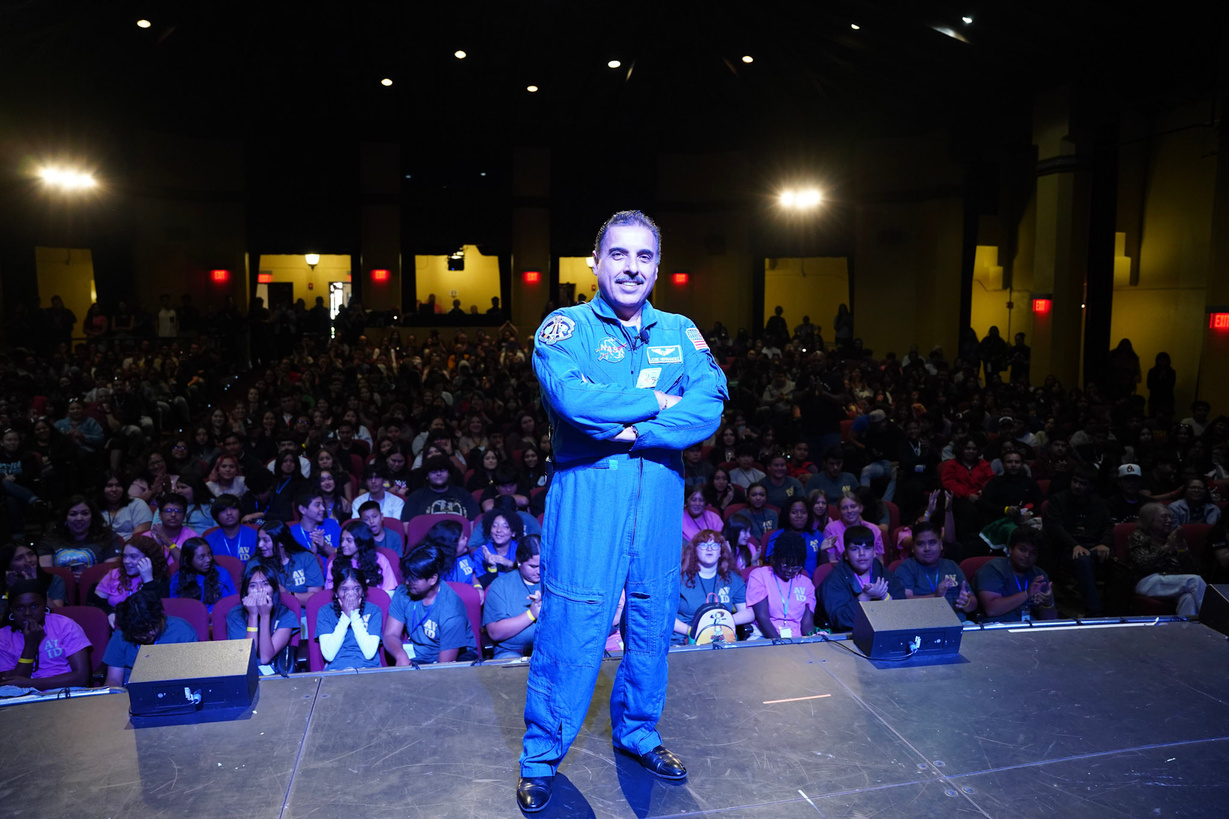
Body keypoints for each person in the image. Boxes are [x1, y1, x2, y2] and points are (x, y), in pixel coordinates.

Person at [518, 211, 727, 811]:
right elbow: (574, 400)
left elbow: (709, 405)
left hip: (659, 498)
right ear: (595, 261)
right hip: (588, 501)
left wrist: (633, 431)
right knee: (572, 629)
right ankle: (540, 757)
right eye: (618, 254)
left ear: (658, 266)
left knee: (652, 621)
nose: (631, 267)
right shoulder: (565, 328)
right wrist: (658, 401)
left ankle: (639, 733)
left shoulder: (681, 331)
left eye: (643, 257)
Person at [382, 542, 474, 667]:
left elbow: (444, 667)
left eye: (414, 578)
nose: (408, 582)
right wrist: (401, 656)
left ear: (432, 579)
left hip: (451, 663)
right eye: (407, 576)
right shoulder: (403, 592)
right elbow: (390, 634)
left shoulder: (451, 611)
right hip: (417, 659)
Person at [1043, 463, 1112, 616]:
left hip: (1092, 545)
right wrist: (1074, 545)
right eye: (1075, 481)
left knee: (1116, 564)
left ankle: (1117, 609)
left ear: (1092, 486)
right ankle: (1095, 611)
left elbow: (1107, 525)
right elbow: (1055, 527)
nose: (1077, 486)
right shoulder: (1058, 500)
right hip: (1064, 547)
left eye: (1083, 483)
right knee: (1083, 559)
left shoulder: (1097, 502)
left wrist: (1104, 543)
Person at [0, 579, 91, 690]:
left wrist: (30, 683)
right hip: (25, 700)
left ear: (44, 606)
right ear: (11, 610)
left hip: (67, 691)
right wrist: (30, 645)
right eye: (20, 608)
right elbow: (10, 687)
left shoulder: (64, 625)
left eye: (34, 606)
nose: (27, 613)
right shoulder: (3, 637)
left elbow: (81, 677)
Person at [103, 587, 198, 686]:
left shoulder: (182, 631)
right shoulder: (121, 635)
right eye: (139, 633)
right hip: (131, 692)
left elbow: (193, 675)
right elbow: (114, 680)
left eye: (151, 628)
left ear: (160, 618)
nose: (146, 636)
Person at [819, 525, 906, 632]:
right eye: (855, 549)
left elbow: (903, 613)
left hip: (883, 633)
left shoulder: (885, 575)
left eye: (867, 548)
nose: (862, 554)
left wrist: (884, 597)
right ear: (846, 554)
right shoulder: (834, 579)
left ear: (874, 552)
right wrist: (865, 596)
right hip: (846, 638)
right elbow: (840, 620)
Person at [672, 530, 752, 644]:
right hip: (685, 639)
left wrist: (723, 622)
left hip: (722, 639)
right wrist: (696, 631)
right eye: (704, 544)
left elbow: (748, 613)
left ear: (721, 551)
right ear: (695, 550)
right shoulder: (679, 579)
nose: (709, 548)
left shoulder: (733, 579)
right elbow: (666, 616)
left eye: (715, 545)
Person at [894, 522, 977, 620]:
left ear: (941, 545)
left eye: (932, 543)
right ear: (913, 548)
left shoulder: (951, 566)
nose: (927, 548)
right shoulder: (906, 568)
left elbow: (973, 604)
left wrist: (966, 602)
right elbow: (903, 603)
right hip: (922, 625)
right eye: (920, 544)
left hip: (959, 624)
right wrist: (935, 596)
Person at [973, 528, 1058, 623]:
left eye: (1033, 553)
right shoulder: (993, 569)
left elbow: (1051, 622)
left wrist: (1048, 604)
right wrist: (1027, 594)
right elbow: (992, 610)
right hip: (997, 627)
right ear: (1010, 549)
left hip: (1030, 630)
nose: (1027, 555)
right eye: (1022, 550)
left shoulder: (1039, 574)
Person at [226, 563, 297, 673]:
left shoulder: (286, 615)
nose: (259, 590)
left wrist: (265, 616)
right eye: (253, 586)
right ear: (246, 591)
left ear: (274, 589)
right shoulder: (235, 615)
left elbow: (265, 658)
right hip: (242, 671)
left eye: (265, 584)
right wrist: (253, 616)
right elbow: (247, 658)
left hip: (273, 672)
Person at [482, 535, 544, 659]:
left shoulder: (554, 583)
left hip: (549, 649)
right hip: (511, 652)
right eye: (533, 566)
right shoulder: (500, 586)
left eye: (542, 565)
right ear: (519, 562)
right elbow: (494, 632)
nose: (539, 571)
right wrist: (531, 614)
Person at [747, 531, 816, 638]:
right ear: (775, 559)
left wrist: (814, 639)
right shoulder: (759, 575)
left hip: (796, 639)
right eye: (785, 565)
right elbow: (762, 617)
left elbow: (807, 625)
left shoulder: (806, 583)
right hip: (764, 636)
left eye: (795, 566)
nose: (789, 570)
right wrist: (780, 644)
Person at [316, 564, 383, 671]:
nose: (351, 594)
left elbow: (369, 653)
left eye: (356, 589)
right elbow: (329, 655)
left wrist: (355, 615)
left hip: (368, 669)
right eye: (344, 589)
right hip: (337, 670)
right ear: (336, 593)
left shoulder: (374, 611)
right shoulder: (325, 612)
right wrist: (345, 616)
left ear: (362, 592)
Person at [89, 536, 171, 618]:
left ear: (148, 558)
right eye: (124, 556)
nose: (126, 561)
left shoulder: (160, 579)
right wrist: (109, 613)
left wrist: (148, 579)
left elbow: (153, 610)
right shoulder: (116, 573)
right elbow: (95, 603)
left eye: (133, 556)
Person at [37, 496, 123, 572]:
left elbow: (111, 573)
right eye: (73, 514)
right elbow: (46, 574)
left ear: (92, 516)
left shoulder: (108, 537)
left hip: (97, 587)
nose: (79, 518)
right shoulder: (50, 539)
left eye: (85, 513)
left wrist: (87, 575)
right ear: (65, 518)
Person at [249, 519, 323, 605]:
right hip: (267, 614)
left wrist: (287, 595)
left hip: (302, 615)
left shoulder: (306, 559)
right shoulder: (254, 565)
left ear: (281, 542)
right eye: (259, 540)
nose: (260, 545)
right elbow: (249, 599)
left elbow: (315, 598)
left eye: (266, 540)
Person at [325, 525, 397, 595]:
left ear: (361, 541)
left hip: (376, 604)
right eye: (342, 540)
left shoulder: (380, 560)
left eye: (349, 540)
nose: (343, 544)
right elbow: (330, 594)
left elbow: (389, 593)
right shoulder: (335, 563)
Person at [170, 537, 236, 611]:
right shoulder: (177, 578)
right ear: (187, 559)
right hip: (188, 620)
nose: (208, 559)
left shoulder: (222, 574)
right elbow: (174, 608)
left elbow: (231, 605)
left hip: (216, 619)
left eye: (209, 554)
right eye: (201, 557)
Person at [763, 497, 825, 575]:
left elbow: (823, 568)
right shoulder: (777, 536)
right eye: (794, 512)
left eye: (803, 512)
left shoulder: (817, 535)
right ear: (787, 514)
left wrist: (823, 551)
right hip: (785, 580)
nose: (799, 515)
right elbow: (773, 563)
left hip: (812, 582)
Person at [1, 544, 68, 616]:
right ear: (8, 565)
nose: (28, 560)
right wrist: (11, 589)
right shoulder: (5, 584)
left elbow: (57, 613)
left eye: (31, 554)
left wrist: (35, 585)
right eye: (19, 558)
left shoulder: (54, 580)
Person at [822, 491, 885, 562]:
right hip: (841, 570)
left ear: (861, 508)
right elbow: (831, 561)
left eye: (853, 506)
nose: (849, 511)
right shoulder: (831, 529)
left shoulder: (873, 529)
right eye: (844, 508)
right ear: (839, 511)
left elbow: (879, 561)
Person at [99, 469, 153, 543]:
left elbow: (141, 539)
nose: (114, 489)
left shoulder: (138, 505)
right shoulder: (95, 508)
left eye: (118, 485)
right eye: (109, 486)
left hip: (131, 550)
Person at [205, 493, 258, 561]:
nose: (229, 513)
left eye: (233, 508)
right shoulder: (209, 540)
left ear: (240, 512)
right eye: (223, 510)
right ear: (216, 516)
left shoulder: (254, 535)